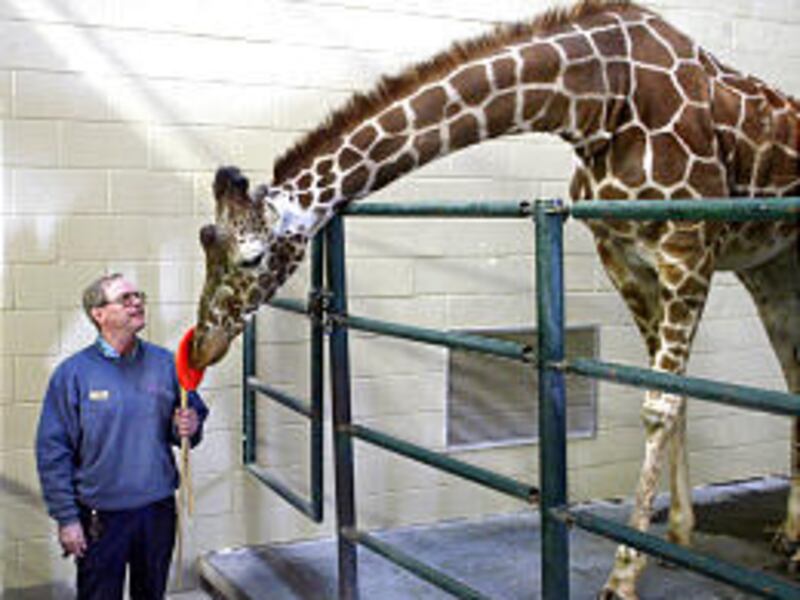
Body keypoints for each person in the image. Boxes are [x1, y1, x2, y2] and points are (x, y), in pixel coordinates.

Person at [35, 273, 209, 600]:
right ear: (98, 314)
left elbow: (192, 417)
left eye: (138, 296)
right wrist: (67, 519)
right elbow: (52, 452)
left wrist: (189, 425)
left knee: (151, 594)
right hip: (101, 518)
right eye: (125, 298)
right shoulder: (73, 374)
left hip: (157, 512)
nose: (137, 303)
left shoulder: (166, 363)